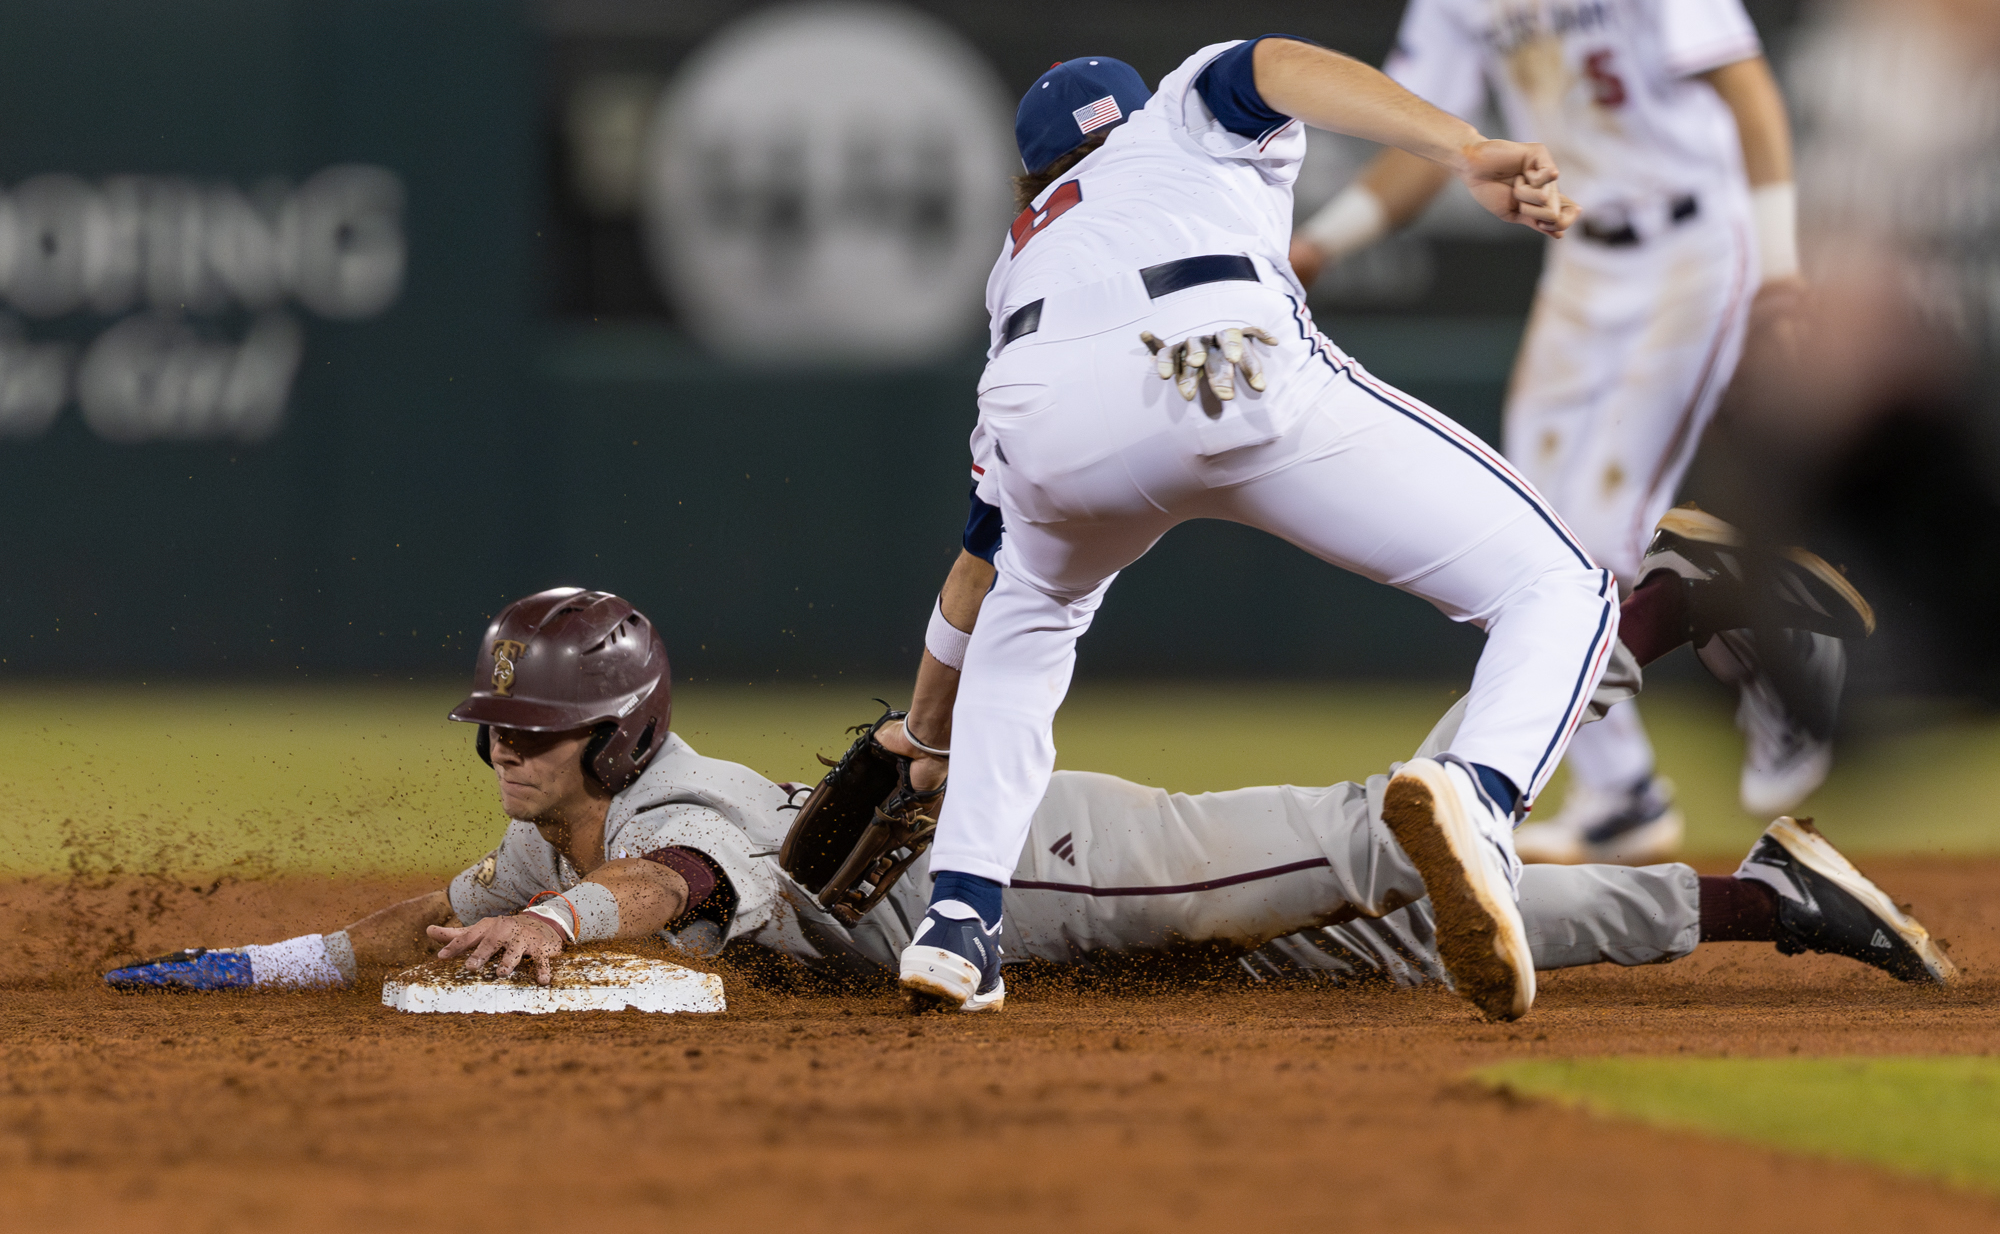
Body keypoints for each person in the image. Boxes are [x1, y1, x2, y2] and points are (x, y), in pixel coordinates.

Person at [105, 576, 1947, 1013]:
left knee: (1376, 828)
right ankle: (1771, 898)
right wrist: (263, 968)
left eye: (523, 727)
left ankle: (1629, 608)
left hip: (1060, 872)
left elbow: (672, 884)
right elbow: (436, 911)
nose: (499, 749)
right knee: (1413, 942)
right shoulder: (542, 824)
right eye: (492, 727)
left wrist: (564, 920)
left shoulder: (689, 800)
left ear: (609, 729)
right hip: (1033, 929)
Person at [898, 33, 1605, 1025]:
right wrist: (1461, 146)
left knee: (1032, 609)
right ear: (1132, 111)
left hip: (1039, 401)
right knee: (1559, 585)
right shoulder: (1174, 118)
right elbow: (1271, 65)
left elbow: (978, 563)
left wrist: (922, 733)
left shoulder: (1017, 257)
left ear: (1034, 175)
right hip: (1219, 350)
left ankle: (958, 921)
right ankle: (1478, 798)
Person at [1287, 0, 1851, 864]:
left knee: (1597, 519)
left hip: (1695, 243)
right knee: (1529, 528)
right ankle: (1621, 790)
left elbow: (1745, 83)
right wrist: (1320, 246)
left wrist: (1782, 266)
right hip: (1584, 261)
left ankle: (1777, 653)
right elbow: (1428, 149)